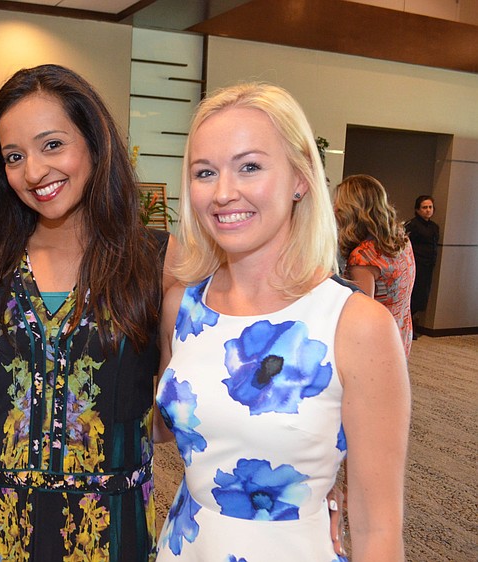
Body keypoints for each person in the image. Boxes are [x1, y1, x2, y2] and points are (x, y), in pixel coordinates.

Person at [155, 83, 410, 561]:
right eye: (205, 172)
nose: (223, 192)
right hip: (185, 543)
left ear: (300, 178)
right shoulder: (183, 306)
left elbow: (379, 529)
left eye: (249, 166)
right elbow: (161, 426)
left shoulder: (356, 325)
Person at [0, 64, 174, 561]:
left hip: (111, 532)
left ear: (95, 143)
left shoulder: (159, 260)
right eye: (14, 156)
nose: (33, 172)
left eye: (52, 145)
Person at [334, 174, 416, 356]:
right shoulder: (400, 239)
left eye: (339, 205)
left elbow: (361, 317)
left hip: (376, 344)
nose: (334, 209)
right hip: (399, 331)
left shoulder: (364, 257)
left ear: (353, 210)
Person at [404, 195, 439, 330]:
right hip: (415, 264)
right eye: (424, 207)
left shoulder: (434, 227)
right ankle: (408, 325)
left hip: (428, 265)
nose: (428, 210)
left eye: (430, 207)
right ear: (417, 209)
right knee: (413, 294)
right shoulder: (412, 225)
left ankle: (412, 323)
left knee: (422, 296)